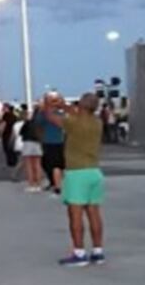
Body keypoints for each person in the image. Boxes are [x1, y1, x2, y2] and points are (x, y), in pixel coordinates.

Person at [45, 93, 106, 267]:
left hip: (76, 172)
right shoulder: (97, 123)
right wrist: (64, 105)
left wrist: (49, 103)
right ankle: (98, 251)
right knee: (94, 213)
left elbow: (50, 117)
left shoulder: (73, 123)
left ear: (80, 105)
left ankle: (79, 252)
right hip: (94, 171)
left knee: (75, 214)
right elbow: (79, 113)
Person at [39, 93, 66, 194]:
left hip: (53, 142)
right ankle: (55, 182)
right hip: (52, 141)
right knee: (50, 164)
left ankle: (56, 184)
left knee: (54, 165)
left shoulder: (53, 114)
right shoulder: (46, 114)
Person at [20, 109, 44, 192]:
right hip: (38, 143)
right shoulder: (41, 123)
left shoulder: (28, 122)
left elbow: (21, 132)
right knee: (37, 165)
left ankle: (31, 184)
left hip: (28, 143)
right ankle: (39, 184)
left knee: (29, 165)